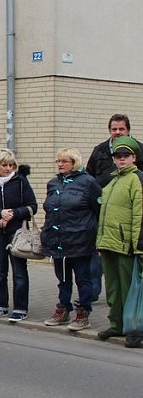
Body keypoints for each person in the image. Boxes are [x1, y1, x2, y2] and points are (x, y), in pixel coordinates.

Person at [41, 148, 102, 331]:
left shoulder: (89, 183)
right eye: (58, 161)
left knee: (83, 279)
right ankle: (63, 308)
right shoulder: (53, 184)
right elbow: (50, 211)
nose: (60, 164)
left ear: (74, 162)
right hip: (59, 240)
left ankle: (83, 313)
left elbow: (98, 211)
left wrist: (96, 238)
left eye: (64, 161)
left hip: (81, 240)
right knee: (63, 279)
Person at [85, 114, 141, 303]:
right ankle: (93, 293)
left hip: (125, 214)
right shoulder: (99, 150)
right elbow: (89, 177)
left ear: (128, 131)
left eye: (121, 129)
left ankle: (128, 310)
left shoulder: (138, 150)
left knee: (124, 269)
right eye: (114, 129)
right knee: (98, 255)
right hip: (102, 210)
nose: (117, 132)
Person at [94, 136, 143, 347]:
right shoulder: (112, 180)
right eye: (118, 156)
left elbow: (139, 214)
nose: (121, 159)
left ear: (134, 157)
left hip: (127, 245)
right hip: (108, 243)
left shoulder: (137, 179)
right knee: (113, 288)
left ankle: (134, 328)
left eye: (126, 156)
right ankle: (116, 324)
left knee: (129, 289)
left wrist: (138, 244)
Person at [0, 149, 37, 321]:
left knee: (19, 270)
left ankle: (20, 307)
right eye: (4, 165)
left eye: (11, 165)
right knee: (0, 271)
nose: (8, 168)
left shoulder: (20, 181)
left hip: (16, 231)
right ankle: (1, 305)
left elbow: (32, 206)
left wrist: (12, 213)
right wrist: (0, 213)